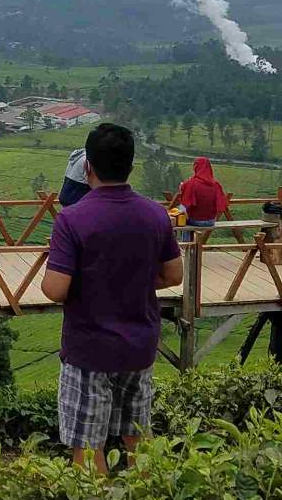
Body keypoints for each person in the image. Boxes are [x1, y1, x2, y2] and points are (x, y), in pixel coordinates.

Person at [41, 123, 182, 473]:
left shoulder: (72, 219)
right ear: (131, 166)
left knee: (88, 449)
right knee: (139, 441)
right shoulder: (155, 215)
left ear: (87, 167)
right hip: (139, 347)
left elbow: (56, 289)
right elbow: (173, 275)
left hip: (90, 349)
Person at [173, 157, 230, 241]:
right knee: (184, 215)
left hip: (195, 220)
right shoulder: (216, 184)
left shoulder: (191, 183)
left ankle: (186, 245)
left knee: (181, 215)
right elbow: (222, 204)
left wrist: (183, 187)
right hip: (211, 221)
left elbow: (185, 203)